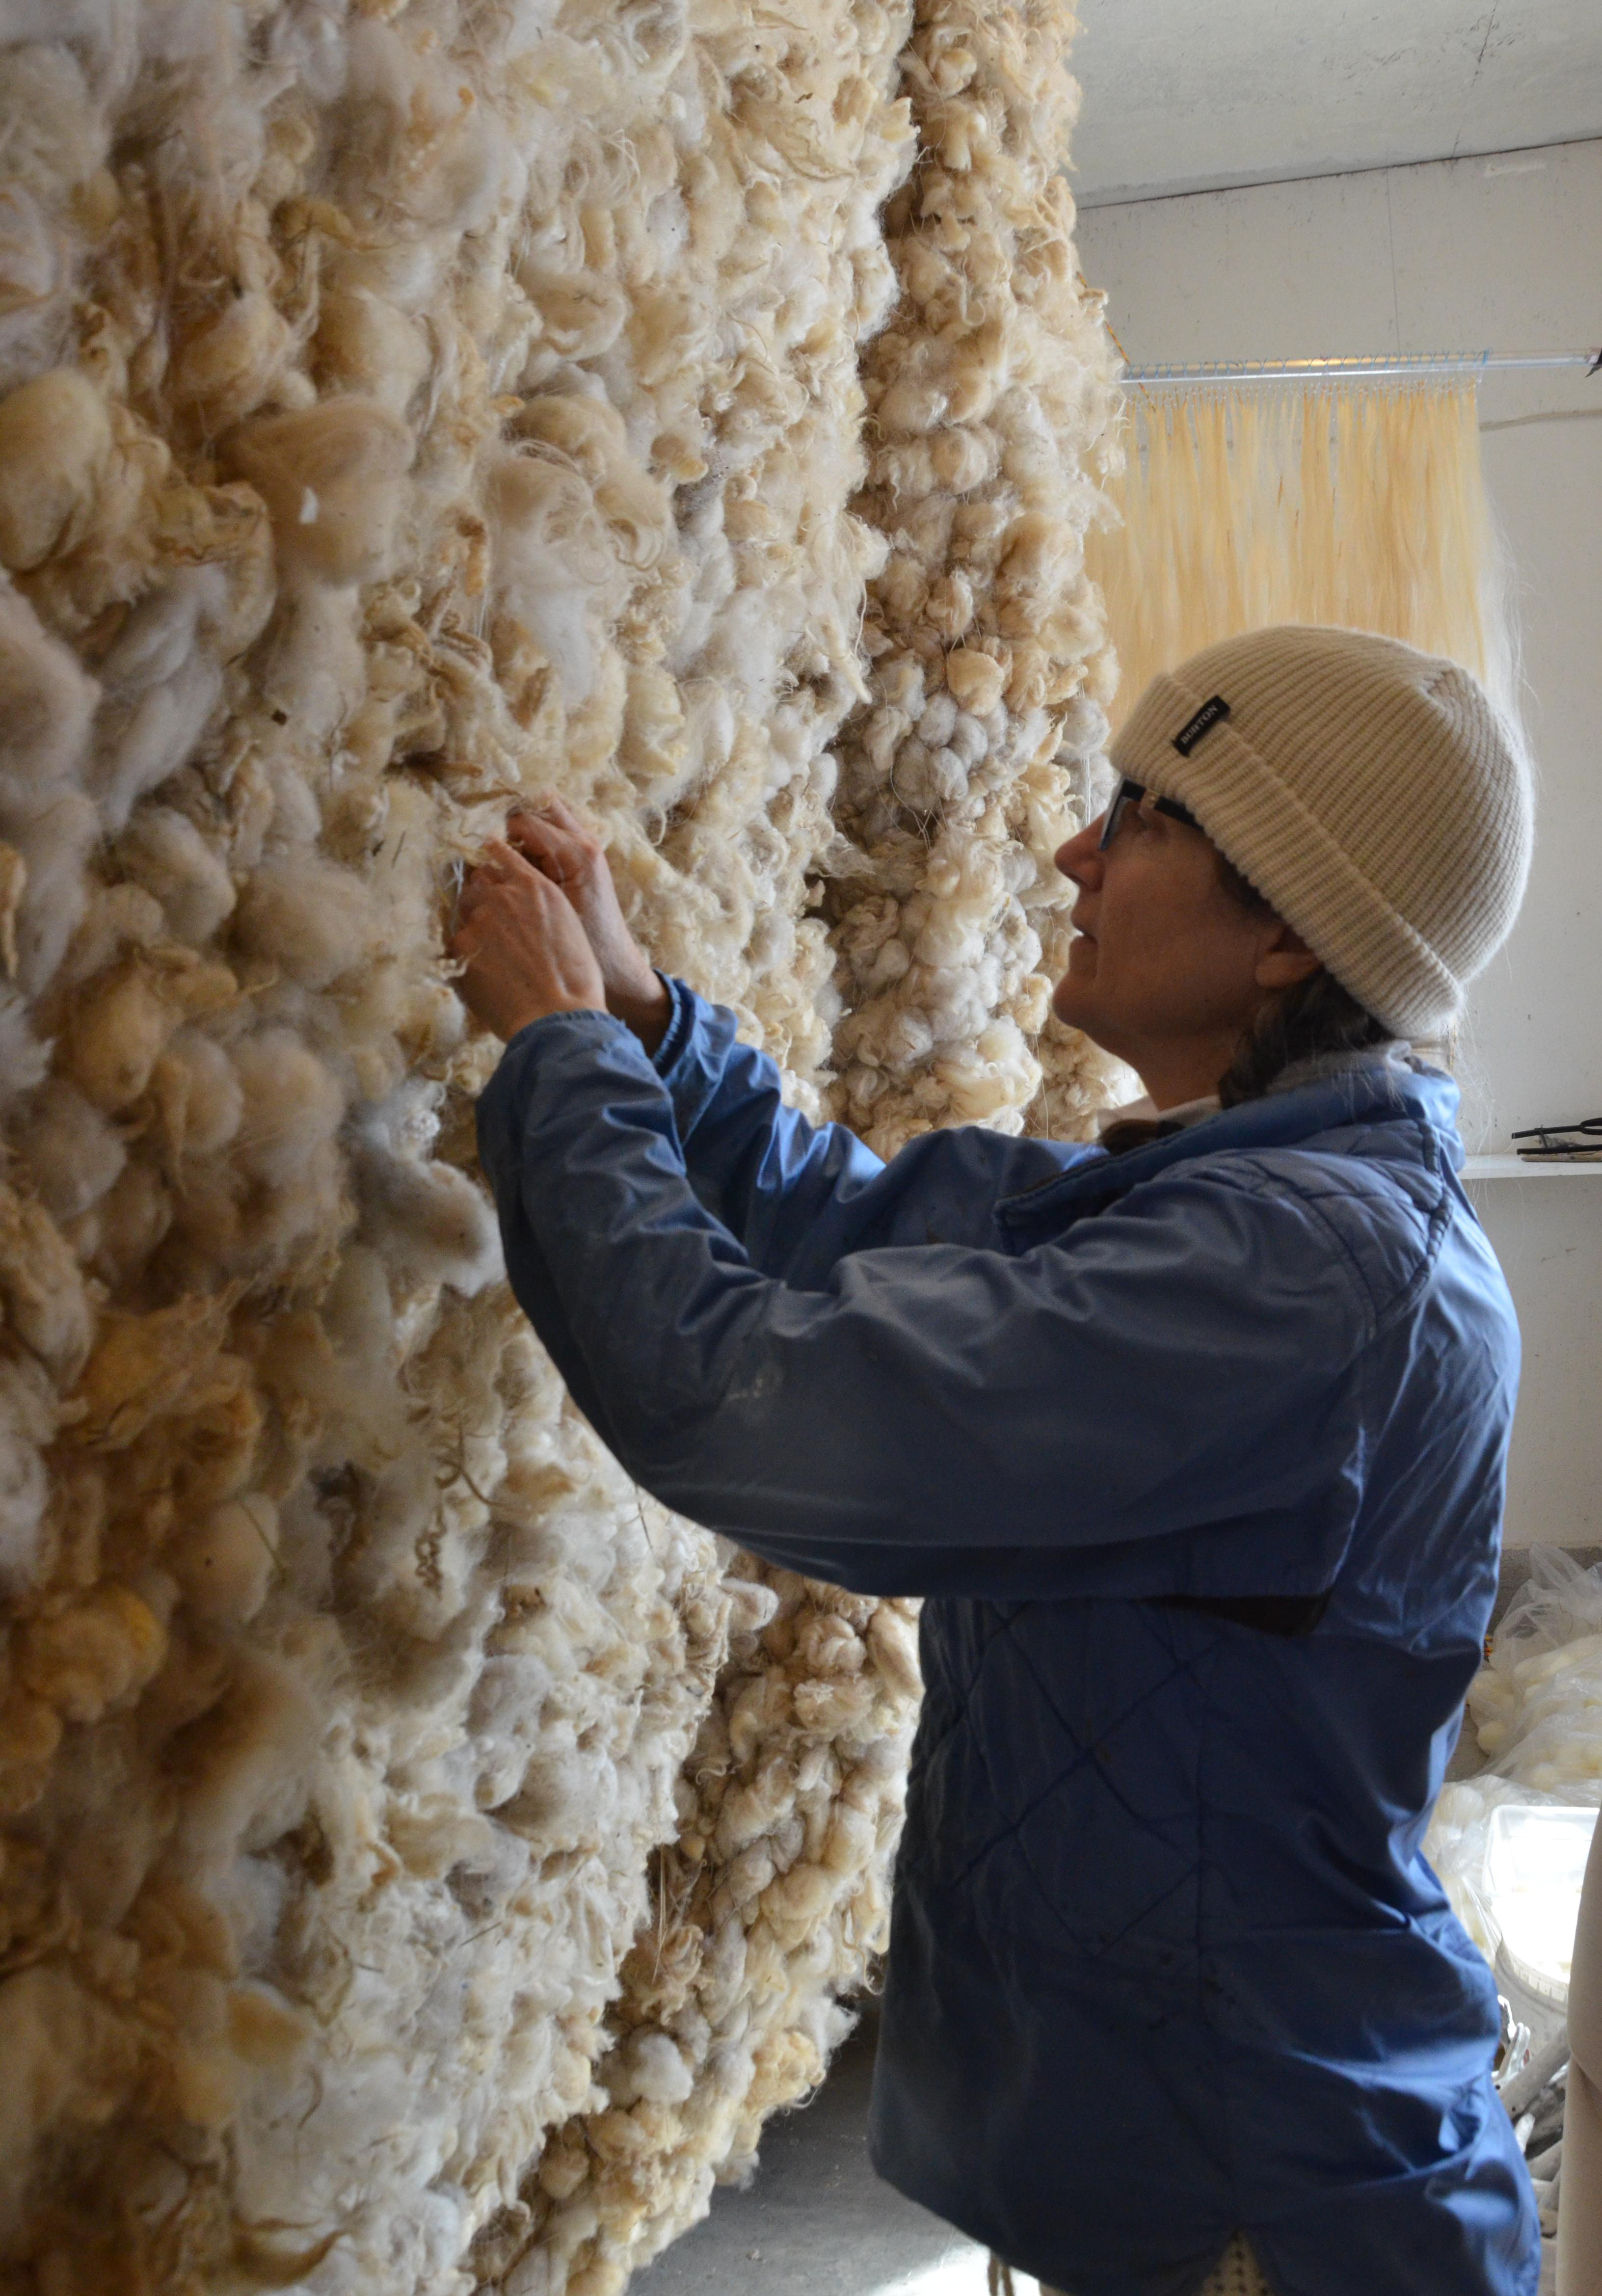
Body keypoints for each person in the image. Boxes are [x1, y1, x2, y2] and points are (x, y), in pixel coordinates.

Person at [450, 625, 1540, 2296]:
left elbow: (740, 1397)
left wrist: (558, 1050)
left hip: (1272, 2218)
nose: (1077, 852)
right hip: (1196, 2181)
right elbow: (858, 1233)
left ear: (1286, 937)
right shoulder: (1233, 1203)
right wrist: (650, 1021)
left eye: (1146, 821)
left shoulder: (1297, 1278)